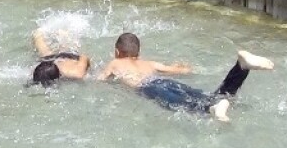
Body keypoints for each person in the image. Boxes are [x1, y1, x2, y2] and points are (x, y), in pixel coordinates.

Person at [97, 32, 274, 121]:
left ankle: (213, 110)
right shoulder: (150, 64)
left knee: (186, 107)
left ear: (116, 52)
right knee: (208, 97)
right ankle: (241, 67)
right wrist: (184, 66)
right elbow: (182, 71)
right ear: (138, 52)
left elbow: (100, 79)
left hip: (149, 88)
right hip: (164, 81)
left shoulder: (115, 63)